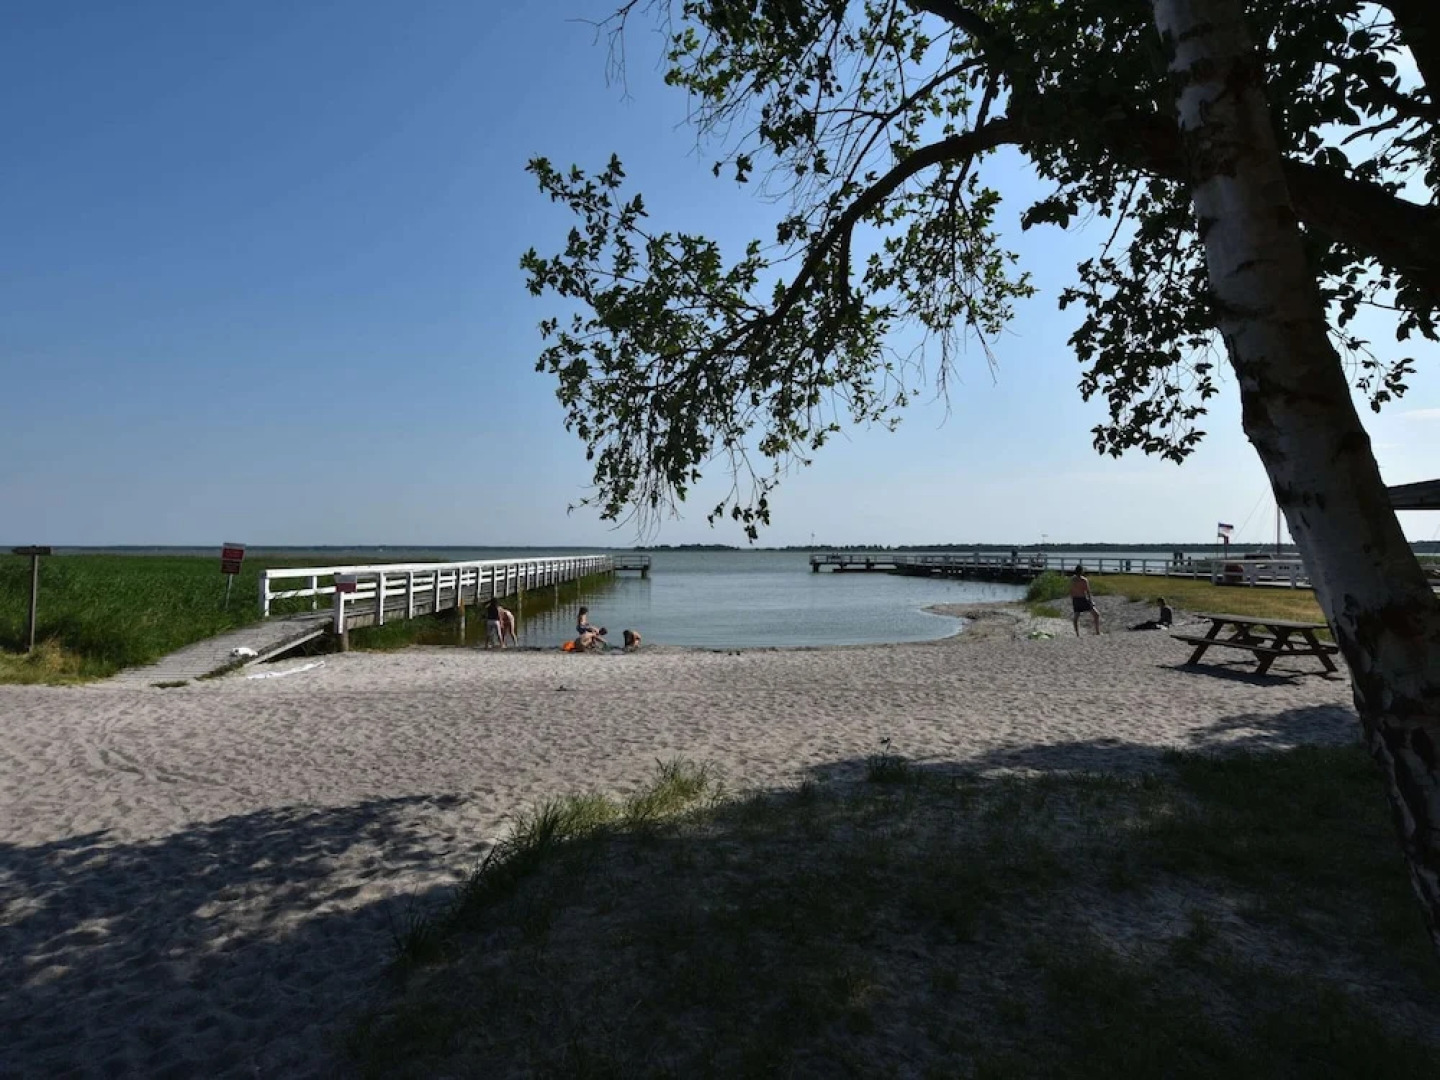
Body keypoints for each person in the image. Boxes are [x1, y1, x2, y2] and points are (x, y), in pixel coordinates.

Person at [1069, 565, 1101, 636]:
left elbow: (1071, 590)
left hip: (1075, 599)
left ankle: (1077, 634)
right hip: (1082, 599)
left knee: (1076, 616)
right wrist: (1090, 601)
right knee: (1096, 614)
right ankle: (1097, 632)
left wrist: (1072, 599)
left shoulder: (1072, 580)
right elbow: (1087, 591)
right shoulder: (1084, 580)